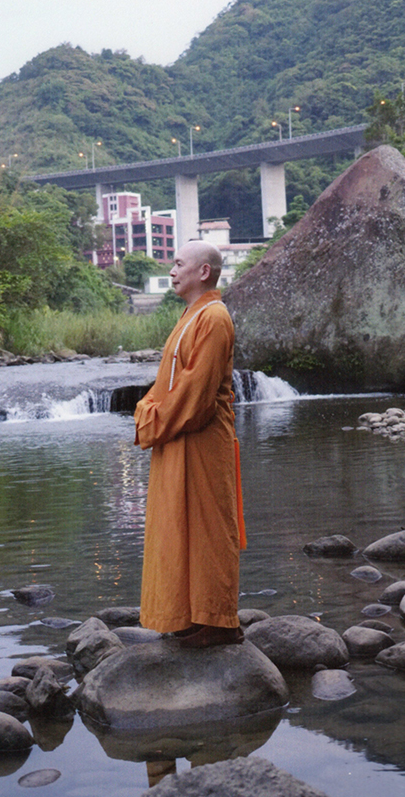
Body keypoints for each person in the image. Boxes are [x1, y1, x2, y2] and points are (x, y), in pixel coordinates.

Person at [134, 240, 246, 648]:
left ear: (203, 272)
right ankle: (188, 614)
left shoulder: (214, 318)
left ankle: (219, 621)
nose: (172, 270)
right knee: (178, 527)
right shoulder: (190, 315)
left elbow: (195, 396)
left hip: (200, 438)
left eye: (179, 263)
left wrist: (150, 419)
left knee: (209, 528)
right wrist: (148, 405)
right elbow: (167, 381)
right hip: (178, 437)